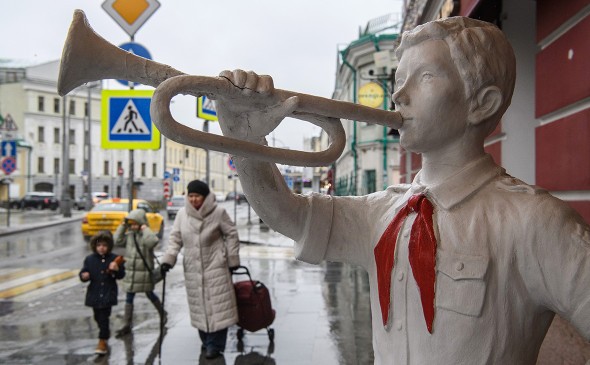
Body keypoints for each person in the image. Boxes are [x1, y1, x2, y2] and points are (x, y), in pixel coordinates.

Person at [212, 17, 590, 364]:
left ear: (482, 103)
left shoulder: (537, 223)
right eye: (398, 80)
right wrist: (244, 141)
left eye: (424, 77)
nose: (398, 96)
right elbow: (288, 214)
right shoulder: (383, 212)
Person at [160, 179, 240, 359]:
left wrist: (231, 259)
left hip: (216, 266)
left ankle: (216, 345)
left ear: (205, 197)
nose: (194, 199)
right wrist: (168, 260)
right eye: (191, 196)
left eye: (197, 196)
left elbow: (231, 234)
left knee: (218, 306)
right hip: (193, 268)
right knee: (199, 307)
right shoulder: (182, 214)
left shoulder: (218, 213)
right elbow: (175, 239)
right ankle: (206, 341)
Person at [113, 208, 165, 337]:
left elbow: (152, 242)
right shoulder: (130, 236)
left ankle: (163, 314)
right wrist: (123, 225)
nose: (133, 226)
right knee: (129, 297)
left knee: (150, 294)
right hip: (131, 272)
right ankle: (126, 324)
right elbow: (117, 241)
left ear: (141, 223)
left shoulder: (146, 234)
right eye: (131, 223)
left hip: (144, 271)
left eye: (136, 223)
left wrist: (144, 228)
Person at [79, 231, 125, 355]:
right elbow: (84, 273)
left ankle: (102, 341)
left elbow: (121, 275)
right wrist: (84, 276)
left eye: (104, 245)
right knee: (97, 317)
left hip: (108, 292)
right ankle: (104, 333)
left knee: (104, 317)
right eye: (99, 245)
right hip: (94, 292)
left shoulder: (114, 258)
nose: (101, 248)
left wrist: (116, 270)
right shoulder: (89, 259)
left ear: (109, 246)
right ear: (95, 246)